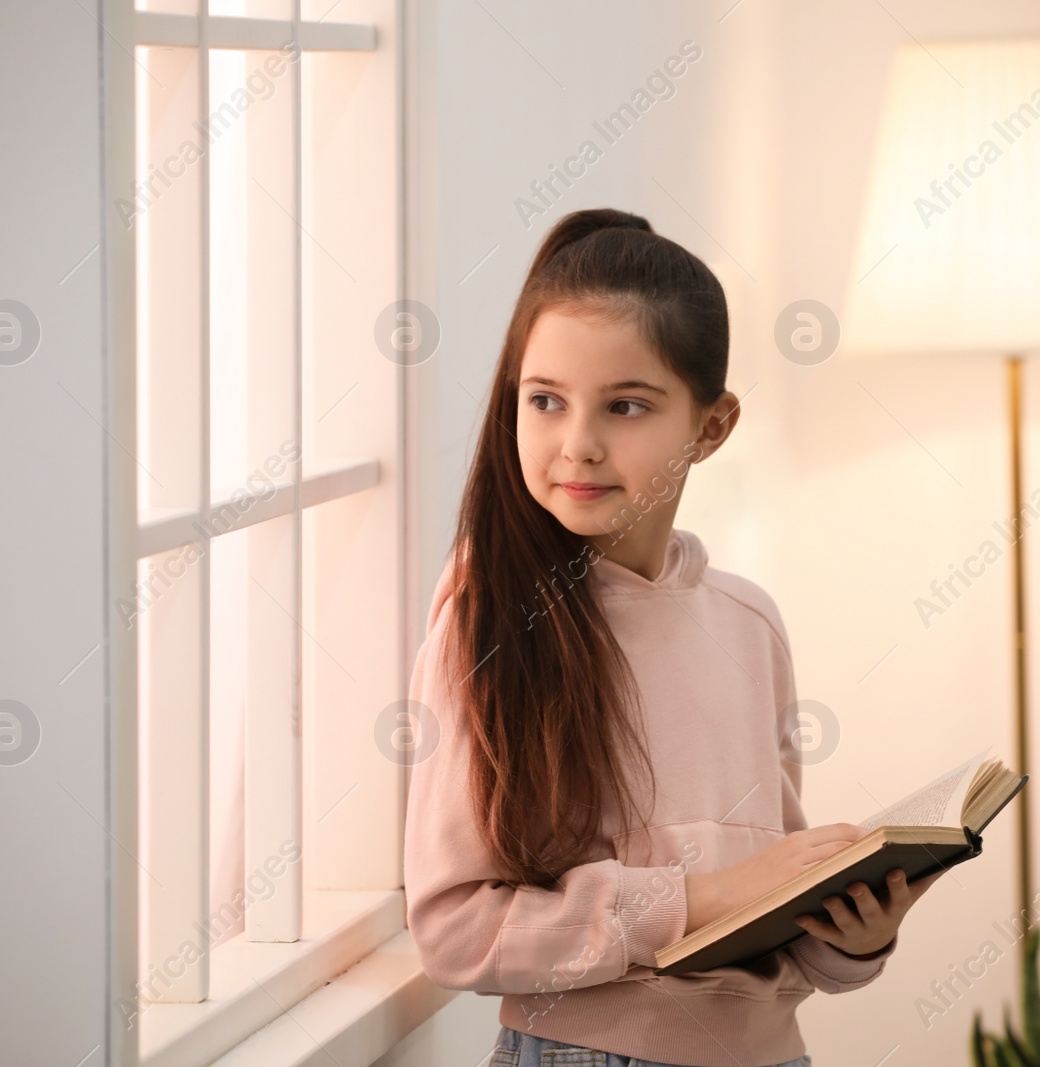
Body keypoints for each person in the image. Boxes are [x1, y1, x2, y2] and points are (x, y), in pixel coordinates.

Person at [402, 207, 940, 1067]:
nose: (576, 445)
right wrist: (706, 896)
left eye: (625, 406)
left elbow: (777, 922)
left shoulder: (749, 624)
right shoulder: (489, 621)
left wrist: (852, 936)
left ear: (712, 426)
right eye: (544, 401)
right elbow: (456, 930)